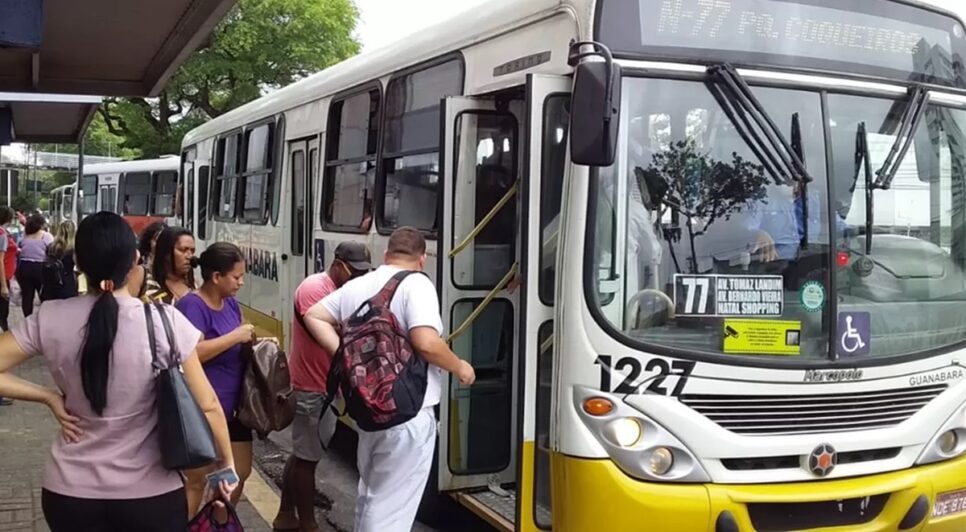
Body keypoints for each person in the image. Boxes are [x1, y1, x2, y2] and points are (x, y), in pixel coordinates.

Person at [0, 212, 236, 531]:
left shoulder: (50, 318)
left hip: (69, 494)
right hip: (152, 496)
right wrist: (226, 464)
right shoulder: (166, 321)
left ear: (78, 262)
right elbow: (208, 405)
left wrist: (47, 397)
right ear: (136, 258)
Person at [304, 227, 476, 532]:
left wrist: (345, 354)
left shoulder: (360, 284)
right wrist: (460, 366)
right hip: (408, 413)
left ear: (386, 254)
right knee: (391, 509)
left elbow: (314, 315)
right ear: (422, 259)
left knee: (371, 495)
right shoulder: (417, 285)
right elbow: (425, 341)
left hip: (369, 410)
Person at [272, 242, 372, 532]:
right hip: (309, 387)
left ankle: (285, 515)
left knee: (304, 454)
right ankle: (308, 523)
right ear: (338, 265)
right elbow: (339, 333)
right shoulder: (314, 289)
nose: (359, 278)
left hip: (326, 387)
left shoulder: (344, 290)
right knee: (307, 459)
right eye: (355, 272)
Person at [175, 242, 255, 516]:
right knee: (196, 480)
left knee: (238, 472)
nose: (241, 283)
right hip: (202, 409)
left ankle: (217, 522)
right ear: (216, 277)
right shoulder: (191, 305)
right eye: (236, 277)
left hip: (234, 407)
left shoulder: (231, 304)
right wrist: (235, 337)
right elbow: (191, 353)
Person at [16, 213, 53, 316]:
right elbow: (52, 250)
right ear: (42, 224)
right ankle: (44, 317)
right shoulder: (46, 236)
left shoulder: (25, 234)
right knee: (44, 295)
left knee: (27, 296)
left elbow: (19, 246)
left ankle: (27, 318)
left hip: (24, 267)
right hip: (40, 267)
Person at [148, 226, 196, 304]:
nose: (189, 256)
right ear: (166, 252)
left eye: (192, 251)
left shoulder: (194, 284)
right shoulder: (146, 280)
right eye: (183, 250)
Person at [41, 221, 78, 301]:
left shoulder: (51, 247)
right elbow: (78, 266)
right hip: (66, 283)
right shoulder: (73, 249)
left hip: (50, 283)